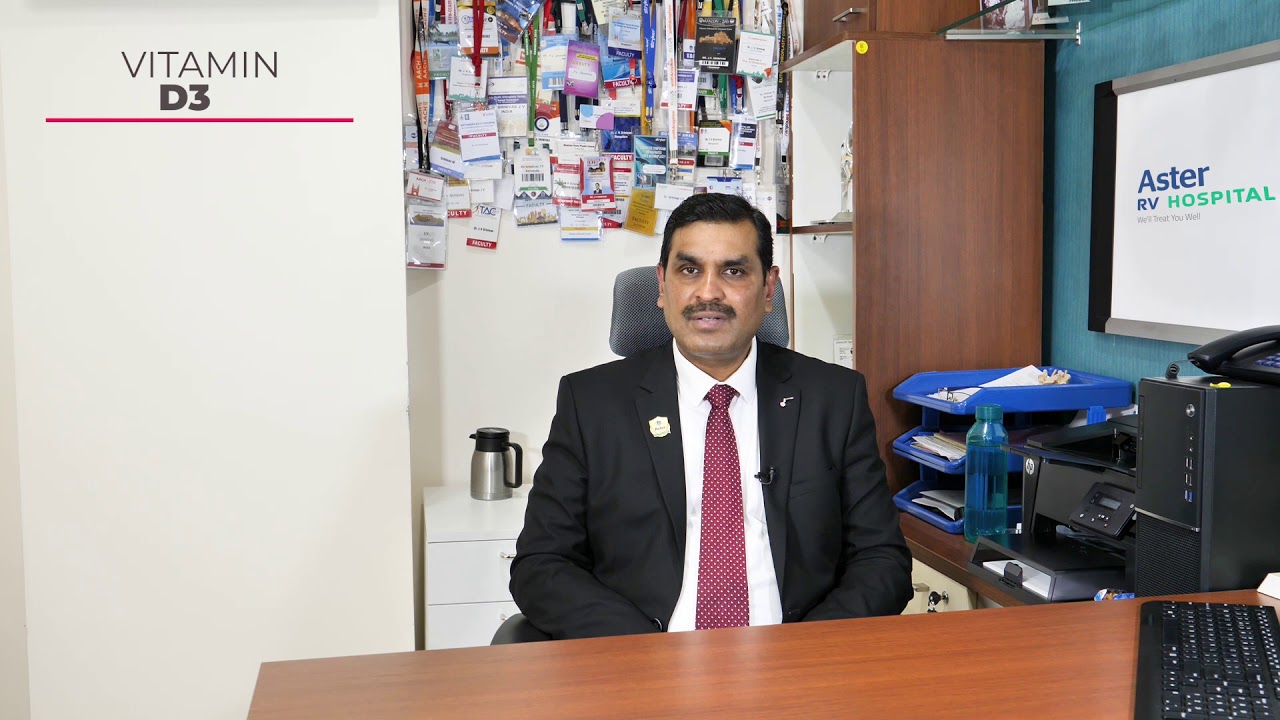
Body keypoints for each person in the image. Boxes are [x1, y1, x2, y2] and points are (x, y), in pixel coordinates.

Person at [510, 193, 912, 639]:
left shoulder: (834, 399)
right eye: (689, 270)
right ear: (662, 285)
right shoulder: (592, 403)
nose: (708, 293)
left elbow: (882, 560)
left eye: (733, 271)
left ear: (769, 289)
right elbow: (542, 564)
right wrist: (644, 654)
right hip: (645, 659)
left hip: (795, 658)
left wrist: (804, 653)